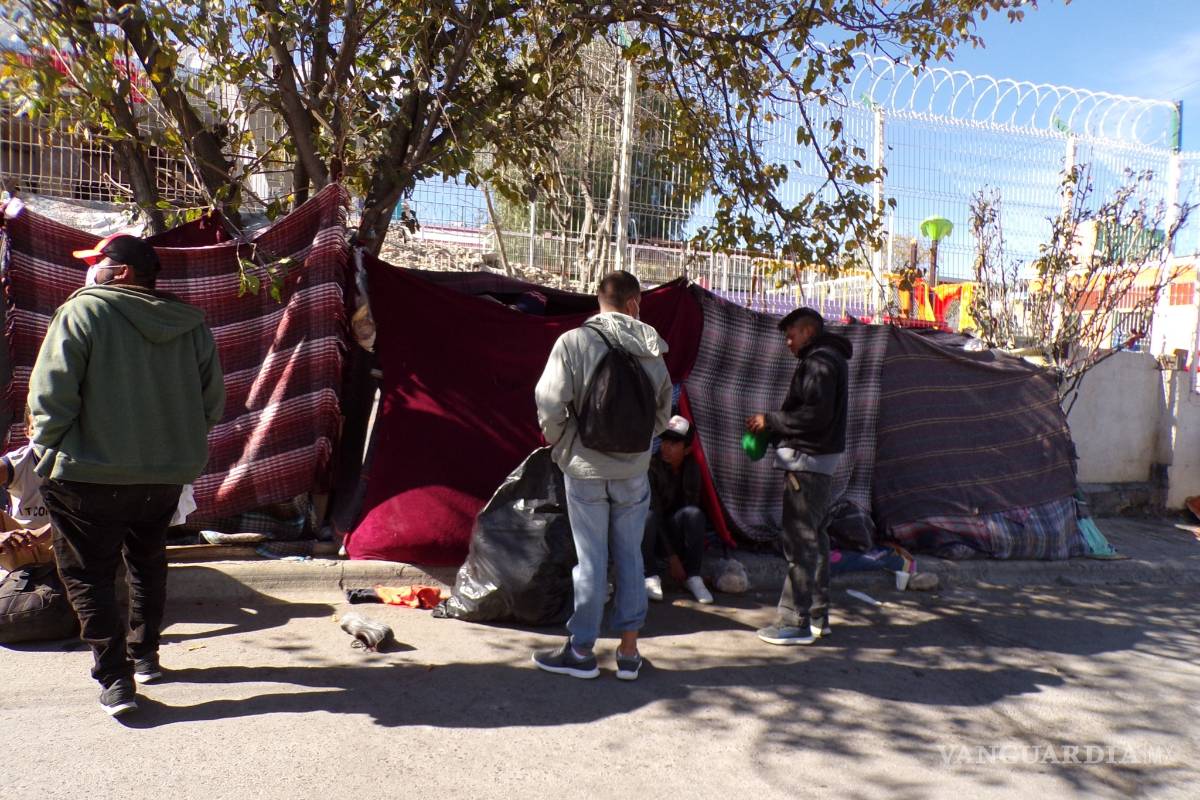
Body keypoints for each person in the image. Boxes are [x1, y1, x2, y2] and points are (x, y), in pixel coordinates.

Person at [28, 233, 225, 716]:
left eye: (97, 261)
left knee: (88, 574)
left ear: (122, 272)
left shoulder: (83, 312)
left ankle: (116, 680)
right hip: (162, 476)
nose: (90, 268)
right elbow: (212, 404)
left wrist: (45, 449)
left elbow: (52, 397)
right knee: (147, 559)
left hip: (85, 476)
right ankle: (145, 655)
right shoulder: (191, 326)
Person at [532, 270, 671, 681]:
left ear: (600, 301)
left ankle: (581, 651)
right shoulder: (652, 350)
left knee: (591, 560)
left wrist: (564, 445)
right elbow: (662, 413)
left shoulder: (573, 343)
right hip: (633, 471)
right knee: (630, 556)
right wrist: (639, 441)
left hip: (585, 468)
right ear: (633, 303)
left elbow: (549, 403)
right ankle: (629, 653)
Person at [747, 307, 851, 646]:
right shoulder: (830, 360)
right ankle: (818, 616)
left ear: (807, 331)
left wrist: (771, 421)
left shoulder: (820, 363)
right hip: (818, 463)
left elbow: (814, 416)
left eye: (791, 335)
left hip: (806, 464)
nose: (788, 343)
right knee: (816, 542)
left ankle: (794, 621)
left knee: (800, 545)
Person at [642, 414, 713, 605]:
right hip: (652, 536)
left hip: (673, 532)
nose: (665, 447)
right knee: (647, 517)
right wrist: (672, 558)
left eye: (673, 443)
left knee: (695, 515)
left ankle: (693, 577)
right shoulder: (651, 466)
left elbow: (689, 510)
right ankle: (650, 575)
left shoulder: (692, 468)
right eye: (664, 441)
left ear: (687, 449)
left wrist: (677, 555)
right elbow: (655, 512)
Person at [2, 408, 50, 530]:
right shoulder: (15, 463)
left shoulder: (77, 463)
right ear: (27, 432)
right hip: (22, 539)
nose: (46, 433)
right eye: (37, 427)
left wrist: (44, 533)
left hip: (61, 536)